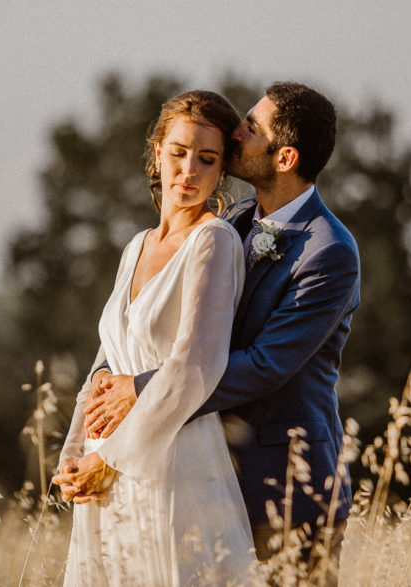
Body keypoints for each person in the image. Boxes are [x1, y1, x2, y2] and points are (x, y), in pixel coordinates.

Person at [83, 82, 361, 585]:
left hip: (287, 487)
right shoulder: (230, 221)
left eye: (252, 128)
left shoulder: (329, 252)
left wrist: (140, 391)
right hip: (206, 477)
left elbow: (263, 366)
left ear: (285, 157)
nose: (238, 132)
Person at [53, 90, 259, 585]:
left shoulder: (214, 241)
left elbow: (196, 366)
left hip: (169, 460)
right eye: (179, 153)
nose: (189, 170)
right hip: (107, 467)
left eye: (206, 159)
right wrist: (75, 454)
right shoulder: (135, 247)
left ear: (221, 170)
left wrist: (111, 457)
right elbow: (107, 360)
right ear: (157, 152)